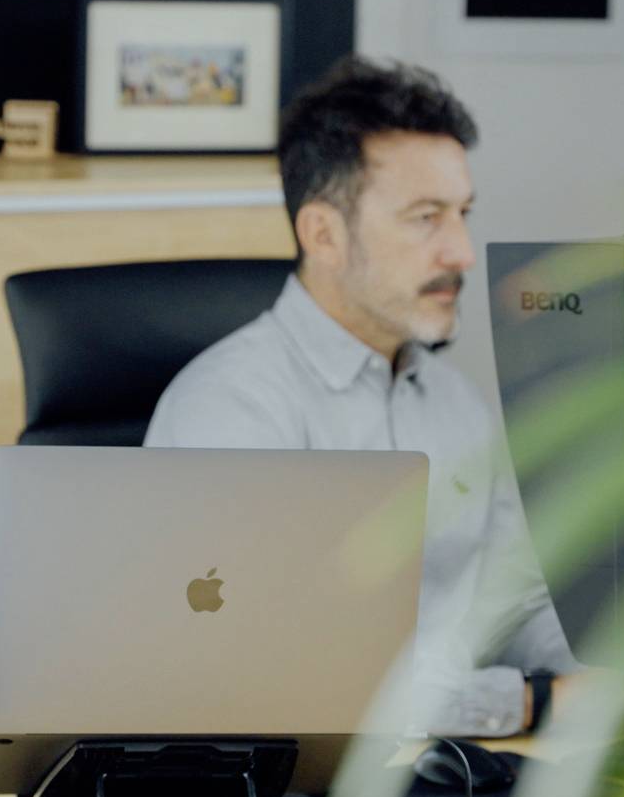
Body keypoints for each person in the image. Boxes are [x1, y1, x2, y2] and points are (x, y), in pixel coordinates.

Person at [144, 56, 576, 736]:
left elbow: (514, 604)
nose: (461, 252)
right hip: (298, 790)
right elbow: (276, 677)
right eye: (425, 218)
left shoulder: (454, 402)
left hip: (462, 763)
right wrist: (526, 703)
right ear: (322, 234)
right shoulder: (231, 409)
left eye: (461, 214)